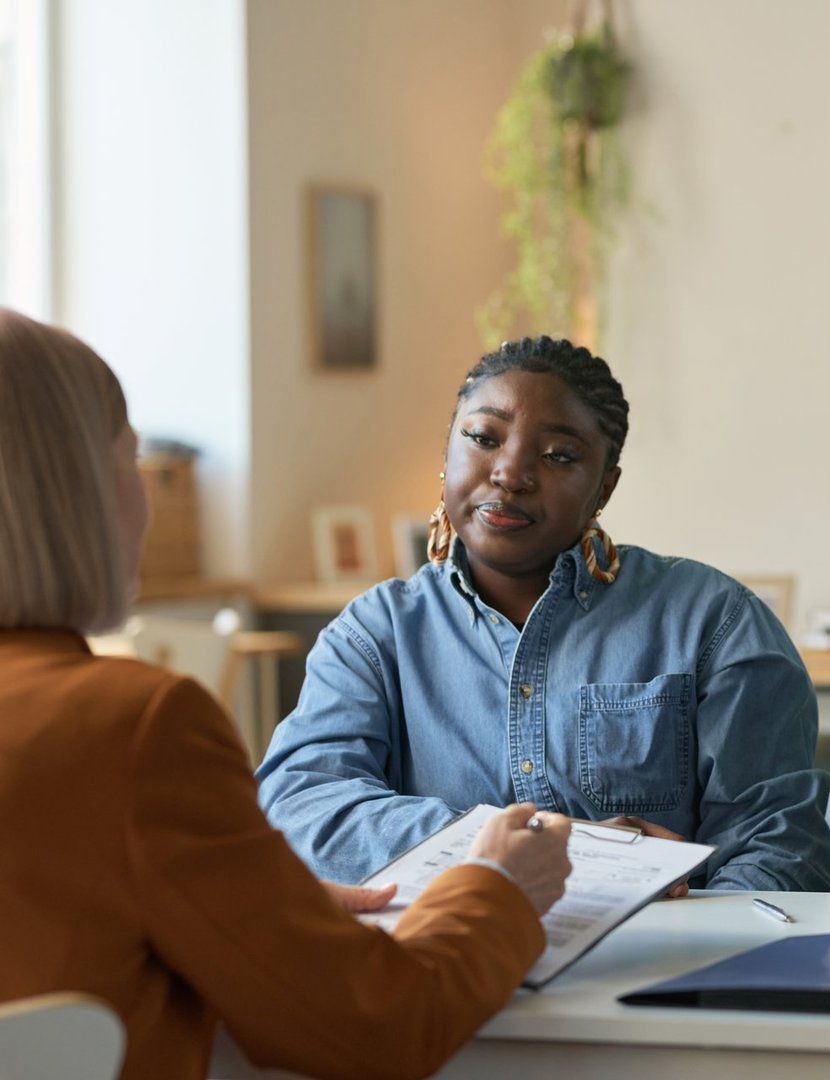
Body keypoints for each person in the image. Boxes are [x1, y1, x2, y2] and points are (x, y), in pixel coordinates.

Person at [0, 308, 574, 1080]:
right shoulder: (131, 727)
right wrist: (498, 884)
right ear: (68, 494)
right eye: (129, 463)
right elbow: (374, 1026)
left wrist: (256, 908)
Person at [257, 335, 830, 891]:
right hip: (445, 967)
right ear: (446, 453)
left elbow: (777, 850)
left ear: (604, 487)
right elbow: (300, 808)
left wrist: (680, 942)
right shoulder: (373, 636)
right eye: (483, 437)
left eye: (558, 455)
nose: (510, 473)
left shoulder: (715, 623)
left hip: (655, 970)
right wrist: (536, 847)